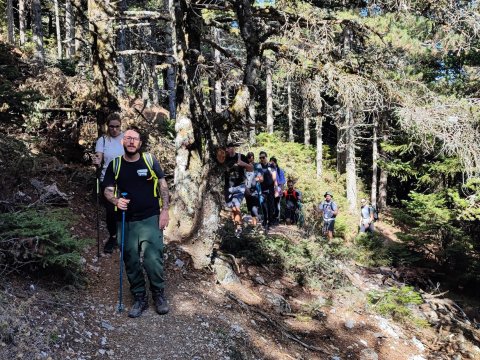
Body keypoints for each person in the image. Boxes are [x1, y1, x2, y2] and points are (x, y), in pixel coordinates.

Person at [103, 126, 170, 318]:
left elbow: (163, 184)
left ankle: (158, 293)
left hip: (150, 218)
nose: (131, 142)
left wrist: (165, 210)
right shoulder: (115, 165)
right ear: (123, 141)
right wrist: (116, 200)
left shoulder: (149, 160)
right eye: (128, 138)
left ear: (140, 143)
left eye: (135, 139)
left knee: (153, 259)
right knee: (130, 259)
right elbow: (107, 189)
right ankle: (140, 296)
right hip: (125, 221)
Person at [92, 113, 124, 253]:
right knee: (110, 211)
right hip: (108, 179)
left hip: (125, 179)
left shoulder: (126, 138)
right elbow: (99, 156)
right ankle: (113, 236)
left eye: (117, 126)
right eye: (111, 126)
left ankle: (125, 237)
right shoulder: (103, 140)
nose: (114, 129)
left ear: (120, 126)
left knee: (124, 208)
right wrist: (97, 161)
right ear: (107, 126)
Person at [224, 143, 253, 237]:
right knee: (232, 208)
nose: (228, 149)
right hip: (228, 187)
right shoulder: (224, 158)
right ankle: (235, 226)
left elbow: (251, 168)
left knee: (236, 206)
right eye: (227, 148)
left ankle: (239, 228)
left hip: (239, 186)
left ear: (234, 148)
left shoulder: (241, 156)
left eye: (230, 147)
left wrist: (242, 163)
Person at [254, 151, 277, 231]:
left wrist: (276, 188)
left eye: (263, 157)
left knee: (270, 205)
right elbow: (257, 177)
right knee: (263, 204)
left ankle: (270, 221)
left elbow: (274, 177)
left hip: (270, 188)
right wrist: (257, 179)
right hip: (262, 188)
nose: (262, 159)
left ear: (266, 157)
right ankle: (265, 219)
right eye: (260, 158)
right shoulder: (258, 166)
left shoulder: (271, 165)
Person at [244, 152, 259, 226]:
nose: (251, 160)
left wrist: (256, 179)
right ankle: (254, 221)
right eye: (249, 158)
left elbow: (259, 176)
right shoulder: (245, 167)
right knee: (250, 206)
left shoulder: (257, 166)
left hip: (254, 189)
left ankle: (255, 221)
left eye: (252, 158)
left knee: (254, 205)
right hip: (246, 189)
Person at [270, 157, 285, 225]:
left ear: (275, 163)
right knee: (271, 204)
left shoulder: (279, 170)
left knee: (277, 204)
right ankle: (270, 218)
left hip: (278, 189)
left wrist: (281, 190)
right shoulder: (269, 170)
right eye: (271, 162)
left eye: (273, 162)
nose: (272, 163)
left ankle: (276, 219)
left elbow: (282, 182)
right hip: (270, 189)